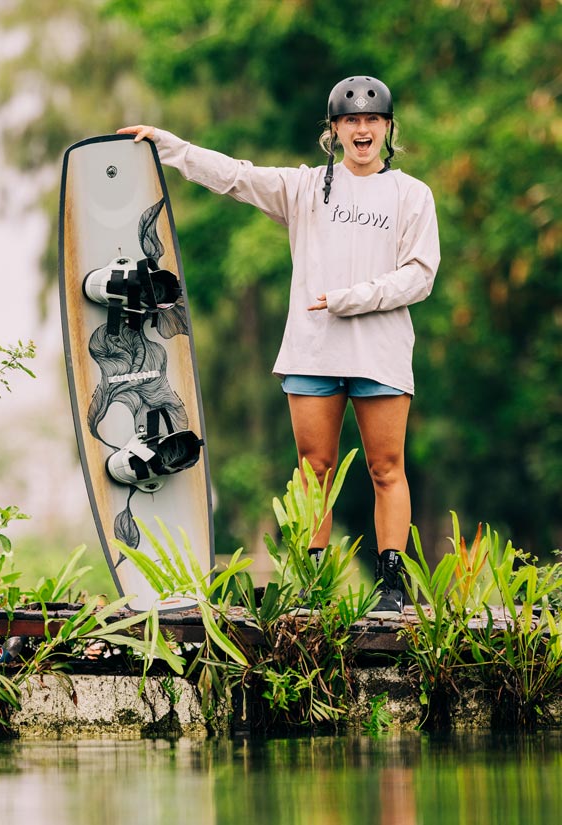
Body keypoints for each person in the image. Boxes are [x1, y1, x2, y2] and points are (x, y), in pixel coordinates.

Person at [118, 74, 440, 618]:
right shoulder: (306, 188)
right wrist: (171, 147)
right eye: (350, 120)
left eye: (373, 119)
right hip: (313, 351)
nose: (362, 129)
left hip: (379, 352)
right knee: (314, 468)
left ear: (388, 128)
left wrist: (352, 298)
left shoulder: (412, 194)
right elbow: (236, 178)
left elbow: (420, 275)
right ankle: (312, 587)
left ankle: (391, 587)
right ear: (334, 130)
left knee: (387, 468)